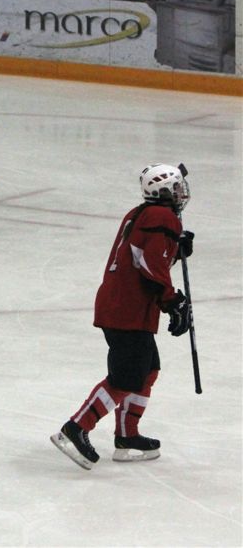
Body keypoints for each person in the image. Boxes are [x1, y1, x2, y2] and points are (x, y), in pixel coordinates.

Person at [51, 164, 194, 470]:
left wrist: (176, 249)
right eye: (176, 187)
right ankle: (75, 429)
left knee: (147, 370)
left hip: (123, 306)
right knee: (126, 377)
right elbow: (148, 264)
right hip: (127, 310)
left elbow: (144, 256)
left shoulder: (141, 213)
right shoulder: (161, 217)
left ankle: (127, 435)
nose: (181, 193)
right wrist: (171, 300)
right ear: (163, 191)